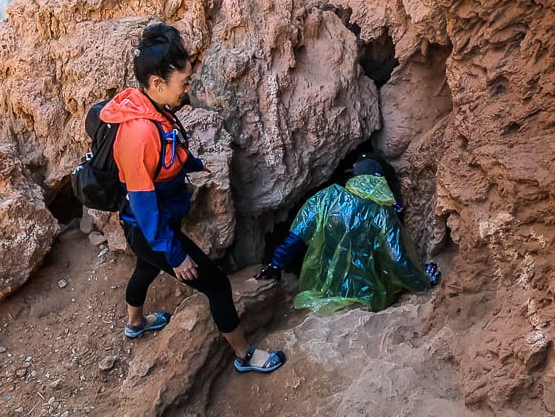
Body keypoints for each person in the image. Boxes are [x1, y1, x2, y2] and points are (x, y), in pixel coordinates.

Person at [100, 23, 286, 373]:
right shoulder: (138, 134)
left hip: (147, 228)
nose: (188, 88)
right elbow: (144, 205)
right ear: (157, 83)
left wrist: (194, 163)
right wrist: (176, 254)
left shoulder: (150, 108)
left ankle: (135, 324)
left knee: (145, 267)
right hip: (149, 228)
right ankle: (245, 355)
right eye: (183, 82)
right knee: (215, 284)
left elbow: (164, 156)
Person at [256, 155, 440, 313]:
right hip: (366, 295)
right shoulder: (382, 213)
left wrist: (276, 264)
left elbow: (296, 237)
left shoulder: (326, 198)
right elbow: (397, 260)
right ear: (380, 181)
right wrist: (423, 281)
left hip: (323, 288)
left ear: (355, 176)